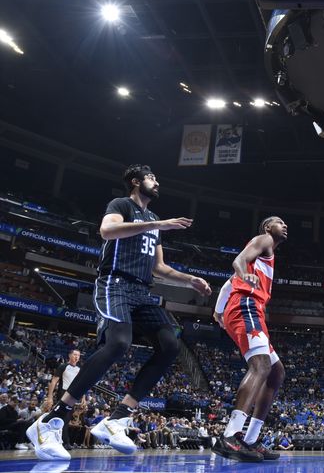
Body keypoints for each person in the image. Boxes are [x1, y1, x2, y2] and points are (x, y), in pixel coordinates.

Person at [27, 164, 212, 461]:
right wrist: (159, 225)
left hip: (142, 291)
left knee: (170, 346)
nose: (157, 181)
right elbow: (107, 230)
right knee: (118, 343)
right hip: (115, 283)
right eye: (152, 177)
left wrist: (189, 279)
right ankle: (51, 421)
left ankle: (118, 417)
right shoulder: (122, 205)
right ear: (136, 182)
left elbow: (159, 268)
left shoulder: (152, 220)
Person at [212, 216, 289, 462]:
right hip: (247, 306)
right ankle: (231, 435)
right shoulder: (263, 240)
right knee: (262, 366)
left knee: (276, 372)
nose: (284, 225)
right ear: (268, 228)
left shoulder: (263, 259)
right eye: (279, 222)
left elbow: (227, 285)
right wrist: (245, 276)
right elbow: (238, 261)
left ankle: (251, 438)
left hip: (247, 308)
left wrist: (218, 310)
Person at [44, 349, 82, 449]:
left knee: (67, 419)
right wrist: (50, 397)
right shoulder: (63, 366)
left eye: (78, 355)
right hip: (63, 394)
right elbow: (53, 382)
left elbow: (81, 384)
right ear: (70, 355)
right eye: (74, 354)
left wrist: (84, 398)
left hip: (73, 395)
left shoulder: (79, 369)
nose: (76, 357)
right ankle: (65, 442)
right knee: (62, 418)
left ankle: (62, 441)